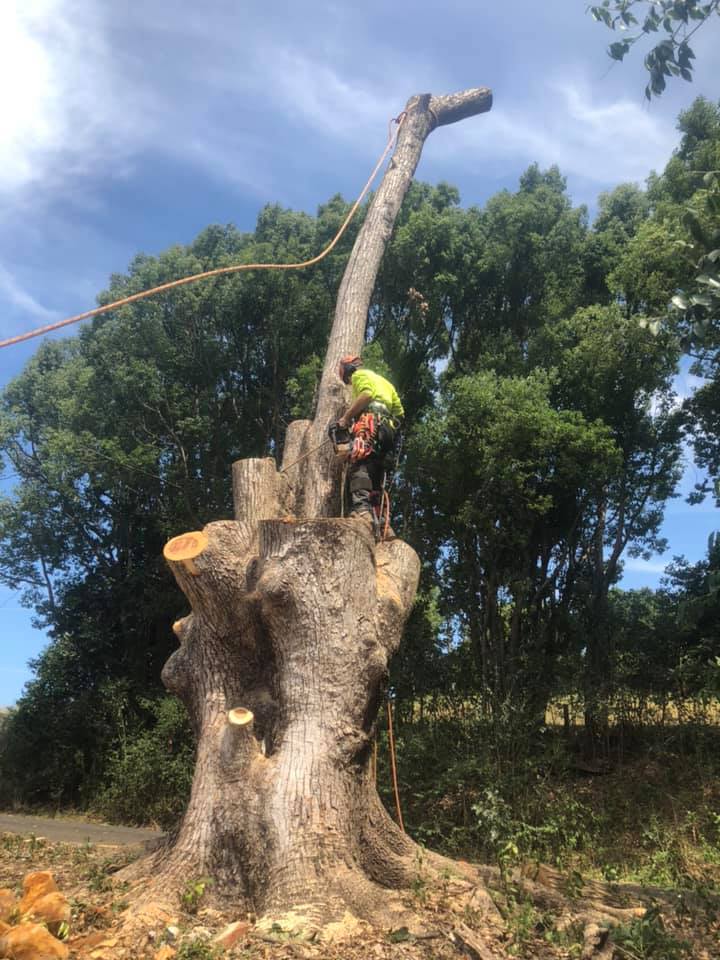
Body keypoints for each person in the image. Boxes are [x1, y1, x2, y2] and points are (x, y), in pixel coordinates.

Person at [335, 355, 404, 526]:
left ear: (349, 370)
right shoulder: (386, 383)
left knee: (359, 463)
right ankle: (381, 519)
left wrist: (346, 418)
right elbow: (400, 413)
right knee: (377, 472)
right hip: (388, 429)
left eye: (348, 379)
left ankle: (362, 511)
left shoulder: (359, 375)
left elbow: (367, 394)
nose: (350, 382)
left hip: (370, 423)